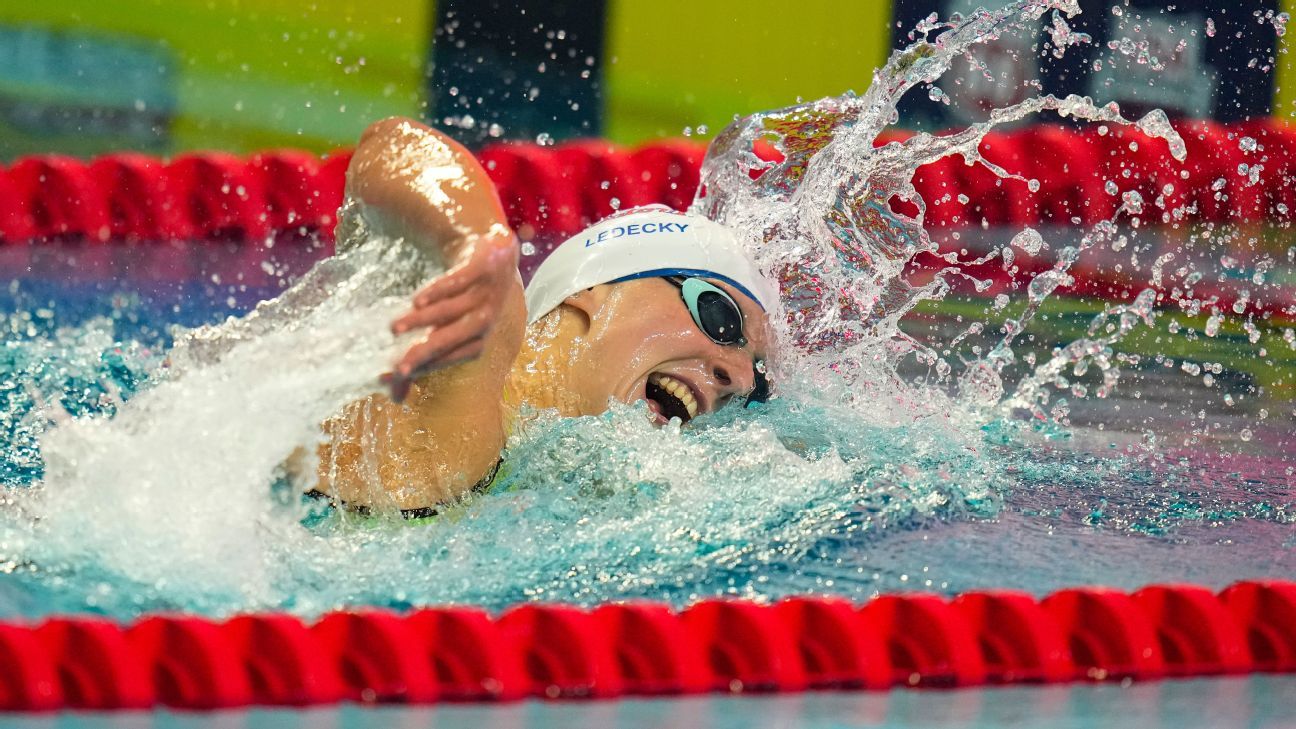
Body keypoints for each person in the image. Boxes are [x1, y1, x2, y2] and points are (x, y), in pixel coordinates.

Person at [310, 117, 778, 517]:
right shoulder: (478, 352)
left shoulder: (544, 477)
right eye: (721, 318)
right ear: (592, 292)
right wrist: (471, 242)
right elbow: (394, 145)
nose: (737, 377)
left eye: (757, 385)